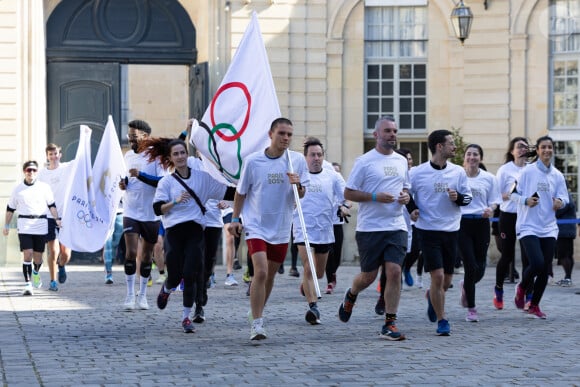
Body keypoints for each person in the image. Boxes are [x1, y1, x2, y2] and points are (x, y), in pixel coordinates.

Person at [228, 117, 308, 341]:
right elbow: (241, 192)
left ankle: (255, 311)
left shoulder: (296, 161)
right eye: (282, 133)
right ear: (271, 134)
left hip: (281, 225)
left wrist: (298, 185)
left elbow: (301, 195)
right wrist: (235, 218)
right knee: (260, 271)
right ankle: (258, 323)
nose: (286, 138)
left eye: (289, 134)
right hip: (256, 225)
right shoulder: (253, 161)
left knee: (270, 276)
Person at [337, 115, 411, 341]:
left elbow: (406, 188)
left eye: (395, 131)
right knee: (368, 276)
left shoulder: (400, 161)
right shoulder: (365, 161)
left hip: (396, 226)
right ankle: (352, 294)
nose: (392, 135)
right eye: (388, 131)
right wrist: (374, 196)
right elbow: (348, 193)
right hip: (370, 228)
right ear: (376, 134)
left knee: (394, 271)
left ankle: (390, 322)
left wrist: (406, 197)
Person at [153, 139, 235, 332]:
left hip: (195, 231)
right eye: (176, 154)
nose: (180, 157)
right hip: (174, 231)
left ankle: (186, 317)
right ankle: (167, 288)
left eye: (183, 153)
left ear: (187, 155)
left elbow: (228, 191)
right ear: (171, 158)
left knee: (190, 273)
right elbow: (157, 209)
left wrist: (249, 184)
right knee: (174, 276)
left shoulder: (202, 178)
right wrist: (174, 201)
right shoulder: (167, 182)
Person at [409, 129, 472, 336]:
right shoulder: (417, 172)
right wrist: (412, 209)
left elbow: (469, 198)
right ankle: (442, 319)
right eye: (451, 143)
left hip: (452, 230)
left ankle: (433, 298)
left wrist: (459, 198)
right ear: (439, 146)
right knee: (436, 276)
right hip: (428, 231)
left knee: (446, 281)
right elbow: (406, 193)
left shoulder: (458, 172)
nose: (454, 147)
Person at [513, 136, 568, 319]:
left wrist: (560, 201)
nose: (547, 150)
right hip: (528, 225)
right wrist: (525, 200)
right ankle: (522, 287)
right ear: (537, 150)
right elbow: (512, 195)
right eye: (543, 147)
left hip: (549, 227)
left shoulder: (557, 175)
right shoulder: (526, 172)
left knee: (545, 268)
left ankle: (534, 305)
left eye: (550, 147)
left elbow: (565, 197)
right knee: (536, 263)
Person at [293, 138, 344, 324]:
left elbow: (344, 197)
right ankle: (313, 308)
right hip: (303, 229)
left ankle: (306, 286)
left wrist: (344, 206)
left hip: (324, 230)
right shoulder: (298, 175)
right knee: (310, 268)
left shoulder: (332, 176)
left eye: (319, 155)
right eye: (312, 155)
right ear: (305, 157)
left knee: (319, 273)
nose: (316, 158)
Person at [118, 119, 164, 311]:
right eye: (129, 136)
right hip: (130, 210)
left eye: (134, 137)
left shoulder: (155, 157)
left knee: (146, 257)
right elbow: (126, 179)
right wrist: (124, 184)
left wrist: (140, 176)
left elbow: (162, 182)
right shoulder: (128, 156)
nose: (131, 140)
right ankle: (129, 294)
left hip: (150, 213)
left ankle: (143, 295)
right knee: (131, 253)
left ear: (145, 137)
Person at [3, 161, 60, 295]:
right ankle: (28, 284)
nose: (31, 173)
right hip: (24, 225)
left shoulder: (44, 187)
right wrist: (6, 225)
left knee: (38, 258)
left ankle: (35, 272)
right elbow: (10, 208)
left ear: (37, 171)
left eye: (34, 170)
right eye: (29, 170)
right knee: (27, 254)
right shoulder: (18, 189)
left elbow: (52, 205)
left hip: (40, 225)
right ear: (24, 171)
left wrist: (57, 219)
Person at [458, 145, 501, 322]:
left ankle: (466, 285)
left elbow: (495, 201)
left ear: (480, 158)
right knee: (470, 266)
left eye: (475, 154)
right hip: (462, 223)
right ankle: (472, 308)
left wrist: (490, 209)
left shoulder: (489, 178)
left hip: (481, 223)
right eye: (469, 154)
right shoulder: (457, 176)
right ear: (464, 158)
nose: (472, 157)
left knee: (480, 267)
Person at [493, 137, 530, 309]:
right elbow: (496, 195)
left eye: (525, 147)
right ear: (512, 151)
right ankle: (499, 290)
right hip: (508, 215)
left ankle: (526, 293)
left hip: (527, 216)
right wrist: (512, 194)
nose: (522, 150)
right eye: (519, 147)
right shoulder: (505, 170)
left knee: (527, 257)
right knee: (507, 256)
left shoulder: (531, 169)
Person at [36, 143, 72, 291]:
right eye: (50, 154)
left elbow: (83, 159)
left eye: (55, 153)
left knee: (65, 253)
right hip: (48, 215)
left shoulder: (67, 168)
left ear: (60, 154)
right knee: (53, 250)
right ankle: (53, 281)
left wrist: (86, 135)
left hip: (66, 215)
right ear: (47, 156)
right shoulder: (42, 174)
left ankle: (62, 265)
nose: (53, 156)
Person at [324, 161, 350, 294]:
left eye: (337, 171)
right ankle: (329, 281)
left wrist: (344, 207)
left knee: (337, 254)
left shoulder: (341, 188)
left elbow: (347, 201)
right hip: (326, 224)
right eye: (333, 171)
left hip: (337, 224)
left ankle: (333, 272)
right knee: (329, 254)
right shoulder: (325, 185)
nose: (335, 174)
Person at [553, 191, 576, 287]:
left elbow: (557, 211)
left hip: (564, 231)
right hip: (567, 230)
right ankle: (567, 277)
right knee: (567, 255)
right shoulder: (567, 196)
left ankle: (568, 278)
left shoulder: (565, 198)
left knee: (564, 255)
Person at [102, 202, 124, 284]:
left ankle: (109, 265)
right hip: (106, 215)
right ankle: (108, 273)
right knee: (107, 244)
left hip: (120, 213)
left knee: (115, 244)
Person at [220, 200, 239, 286]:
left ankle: (229, 274)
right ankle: (210, 274)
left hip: (228, 208)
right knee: (210, 241)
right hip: (211, 208)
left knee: (230, 237)